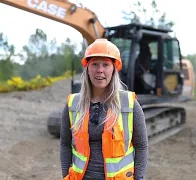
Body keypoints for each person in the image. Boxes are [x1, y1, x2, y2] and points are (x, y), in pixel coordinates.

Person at [60, 38, 148, 180]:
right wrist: (65, 175)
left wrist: (139, 178)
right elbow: (65, 144)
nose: (100, 70)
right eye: (95, 64)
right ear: (87, 68)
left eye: (105, 65)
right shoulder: (73, 104)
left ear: (113, 69)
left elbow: (142, 147)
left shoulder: (129, 104)